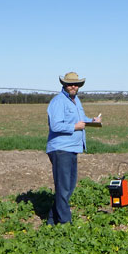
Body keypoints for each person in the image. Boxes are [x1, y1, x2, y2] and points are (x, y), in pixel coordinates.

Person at [46, 72, 101, 225]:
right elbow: (55, 125)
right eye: (70, 84)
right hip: (61, 149)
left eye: (76, 84)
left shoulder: (76, 101)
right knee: (64, 188)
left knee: (69, 186)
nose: (73, 86)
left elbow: (80, 120)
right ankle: (65, 223)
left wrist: (92, 121)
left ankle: (52, 219)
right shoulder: (58, 101)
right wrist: (74, 127)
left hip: (72, 148)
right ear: (64, 85)